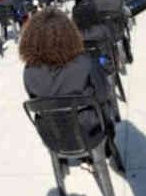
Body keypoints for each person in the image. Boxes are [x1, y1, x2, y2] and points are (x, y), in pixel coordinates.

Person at [19, 9, 116, 151]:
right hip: (90, 133)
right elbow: (103, 95)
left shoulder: (28, 71)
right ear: (69, 33)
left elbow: (36, 100)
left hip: (52, 136)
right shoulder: (85, 63)